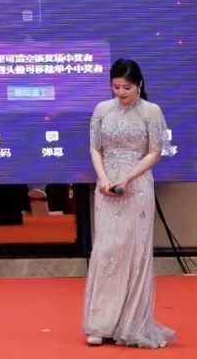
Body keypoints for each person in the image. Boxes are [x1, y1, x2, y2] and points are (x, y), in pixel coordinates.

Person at [83, 59, 175, 348]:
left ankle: (132, 323)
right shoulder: (102, 109)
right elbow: (95, 147)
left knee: (134, 253)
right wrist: (103, 178)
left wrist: (127, 177)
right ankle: (100, 324)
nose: (121, 92)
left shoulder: (151, 111)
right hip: (106, 186)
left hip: (137, 187)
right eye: (116, 87)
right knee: (106, 252)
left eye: (127, 87)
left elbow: (155, 151)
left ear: (139, 85)